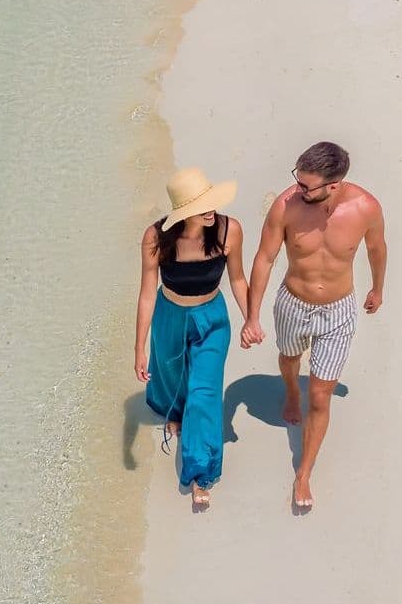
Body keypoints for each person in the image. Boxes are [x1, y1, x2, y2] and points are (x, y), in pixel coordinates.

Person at [240, 141, 386, 510]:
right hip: (293, 302)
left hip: (339, 310)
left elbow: (376, 249)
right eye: (298, 181)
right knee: (289, 358)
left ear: (334, 185)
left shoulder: (365, 208)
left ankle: (303, 473)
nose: (298, 191)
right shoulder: (286, 206)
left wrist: (377, 289)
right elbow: (265, 257)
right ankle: (291, 391)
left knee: (320, 394)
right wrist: (252, 317)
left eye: (307, 187)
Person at [135, 167, 249, 509]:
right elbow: (146, 295)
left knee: (205, 392)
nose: (212, 210)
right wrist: (139, 348)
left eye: (212, 202)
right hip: (170, 314)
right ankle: (176, 415)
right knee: (172, 376)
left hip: (212, 319)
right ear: (183, 213)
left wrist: (251, 319)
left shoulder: (230, 231)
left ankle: (200, 472)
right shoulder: (156, 238)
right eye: (203, 207)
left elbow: (239, 280)